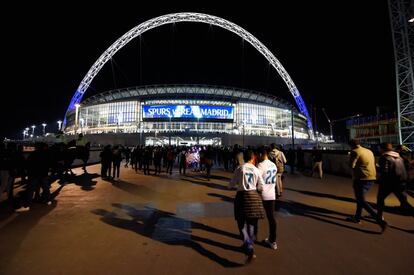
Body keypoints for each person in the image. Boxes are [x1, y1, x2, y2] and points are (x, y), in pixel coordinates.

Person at [229, 150, 265, 264]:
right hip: (254, 197)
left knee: (241, 223)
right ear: (252, 157)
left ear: (244, 157)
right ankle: (249, 244)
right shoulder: (256, 169)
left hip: (241, 197)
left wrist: (236, 185)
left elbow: (231, 185)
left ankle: (248, 247)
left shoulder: (240, 168)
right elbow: (261, 187)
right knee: (252, 223)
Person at [346, 139, 387, 232]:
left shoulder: (354, 152)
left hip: (361, 178)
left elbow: (351, 166)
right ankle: (357, 217)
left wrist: (348, 158)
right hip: (372, 178)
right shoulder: (369, 151)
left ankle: (379, 219)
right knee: (360, 199)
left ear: (351, 145)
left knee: (361, 200)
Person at [376, 143, 413, 219]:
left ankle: (379, 217)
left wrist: (377, 168)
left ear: (382, 149)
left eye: (379, 148)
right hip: (401, 182)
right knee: (404, 202)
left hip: (389, 182)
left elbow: (385, 171)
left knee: (380, 199)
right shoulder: (399, 157)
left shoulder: (385, 157)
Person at [257, 148, 278, 250]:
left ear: (261, 154)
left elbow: (257, 179)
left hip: (261, 195)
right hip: (271, 195)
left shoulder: (261, 165)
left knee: (254, 216)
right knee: (271, 218)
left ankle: (252, 238)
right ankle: (272, 241)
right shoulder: (273, 165)